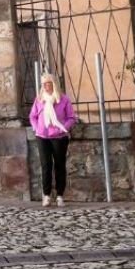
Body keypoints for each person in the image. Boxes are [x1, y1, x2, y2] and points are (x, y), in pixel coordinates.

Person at [29, 72, 77, 207]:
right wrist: (35, 127)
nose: (44, 85)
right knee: (46, 165)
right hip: (42, 136)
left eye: (47, 83)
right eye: (43, 83)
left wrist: (63, 128)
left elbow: (71, 118)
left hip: (59, 137)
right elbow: (32, 116)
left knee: (60, 166)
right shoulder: (39, 99)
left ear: (53, 84)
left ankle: (60, 195)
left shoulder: (63, 99)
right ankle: (47, 195)